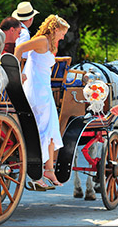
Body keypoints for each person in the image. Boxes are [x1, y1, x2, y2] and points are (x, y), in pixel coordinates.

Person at [14, 14, 70, 190]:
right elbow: (20, 49)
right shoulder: (42, 41)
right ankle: (39, 171)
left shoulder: (49, 43)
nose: (63, 37)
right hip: (36, 90)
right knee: (42, 129)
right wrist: (18, 71)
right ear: (54, 30)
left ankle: (49, 169)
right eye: (62, 33)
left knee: (51, 129)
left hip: (43, 89)